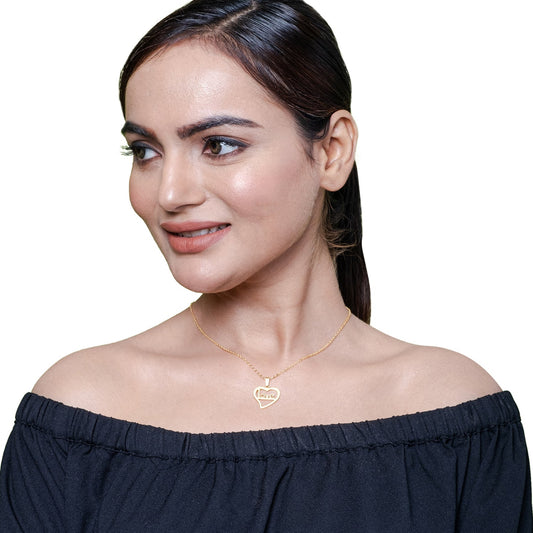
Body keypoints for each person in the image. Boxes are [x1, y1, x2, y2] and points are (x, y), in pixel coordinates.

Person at [1, 0, 531, 530]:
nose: (169, 194)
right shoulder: (78, 410)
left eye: (219, 145)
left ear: (332, 152)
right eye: (145, 151)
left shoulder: (455, 413)